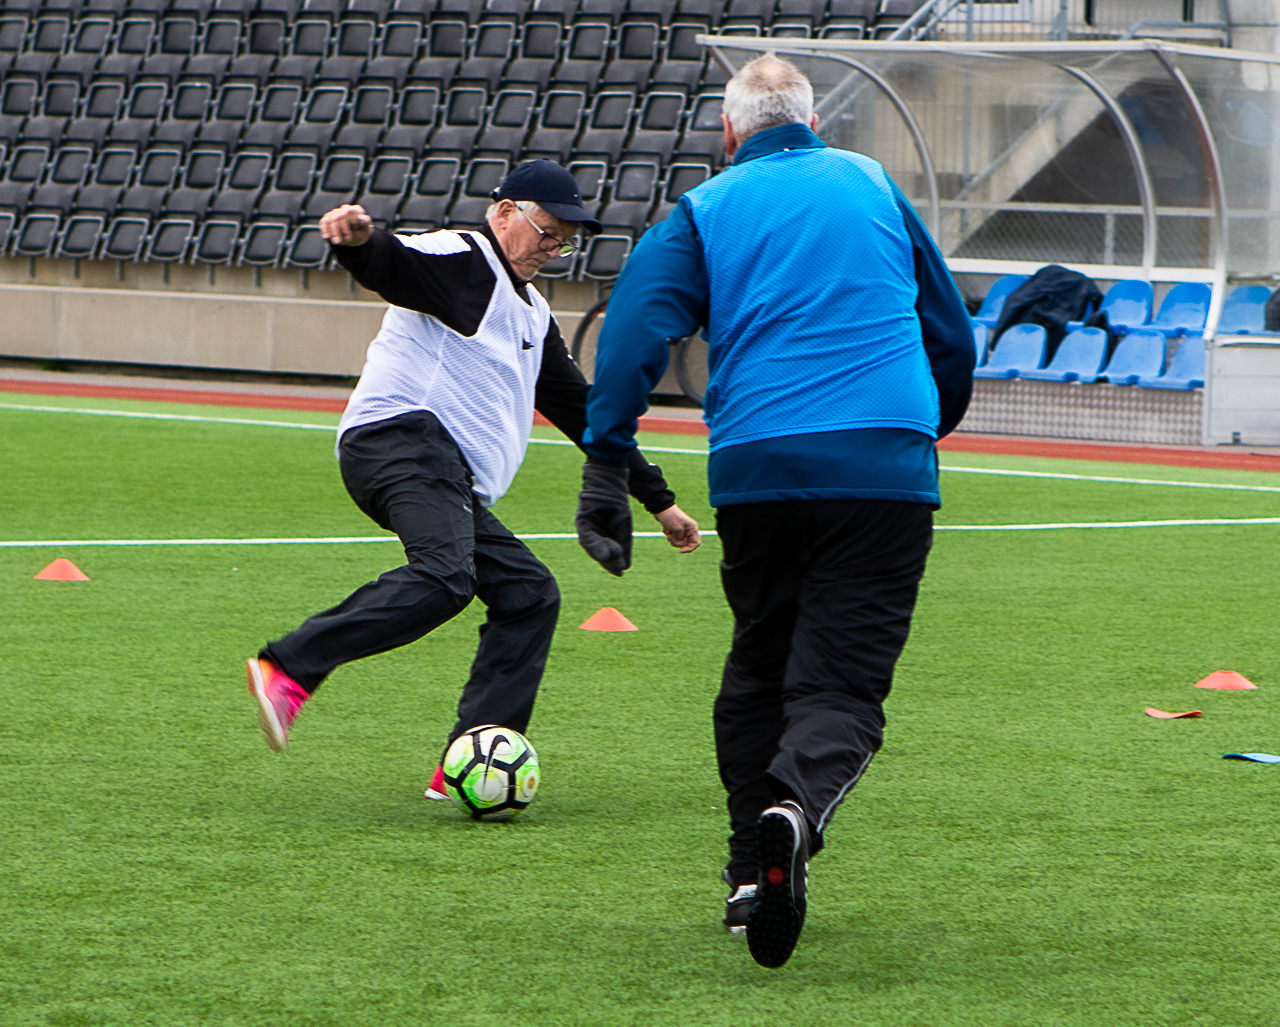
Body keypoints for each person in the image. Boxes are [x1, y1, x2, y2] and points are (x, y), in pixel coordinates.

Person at [575, 55, 975, 968]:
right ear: (814, 122)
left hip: (758, 465)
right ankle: (792, 810)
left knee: (759, 665)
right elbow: (949, 330)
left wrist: (606, 464)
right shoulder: (872, 183)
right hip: (880, 463)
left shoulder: (707, 208)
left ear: (729, 134)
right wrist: (923, 424)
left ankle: (746, 875)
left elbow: (638, 324)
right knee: (839, 685)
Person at [246, 160, 702, 801]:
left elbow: (583, 411)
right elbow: (395, 265)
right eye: (547, 230)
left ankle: (471, 757)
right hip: (401, 441)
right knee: (445, 576)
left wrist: (659, 501)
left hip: (445, 475)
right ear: (506, 210)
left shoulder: (532, 311)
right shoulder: (465, 256)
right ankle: (287, 666)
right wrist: (358, 245)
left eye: (566, 239)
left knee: (529, 594)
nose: (554, 247)